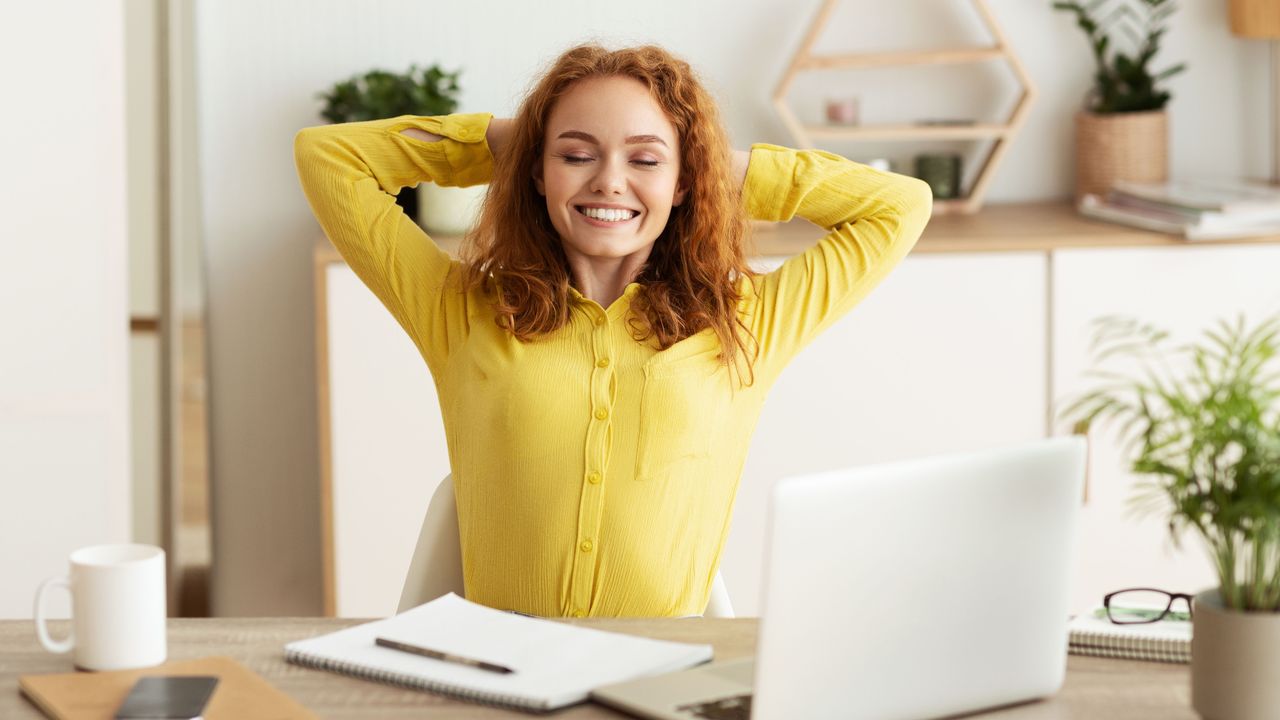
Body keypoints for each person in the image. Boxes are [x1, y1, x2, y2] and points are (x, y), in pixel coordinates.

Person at [294, 44, 932, 618]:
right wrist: (506, 141)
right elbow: (327, 157)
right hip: (500, 678)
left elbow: (900, 205)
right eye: (575, 154)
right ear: (537, 173)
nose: (608, 181)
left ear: (685, 182)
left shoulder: (747, 320)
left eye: (645, 160)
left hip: (663, 682)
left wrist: (710, 159)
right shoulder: (462, 310)